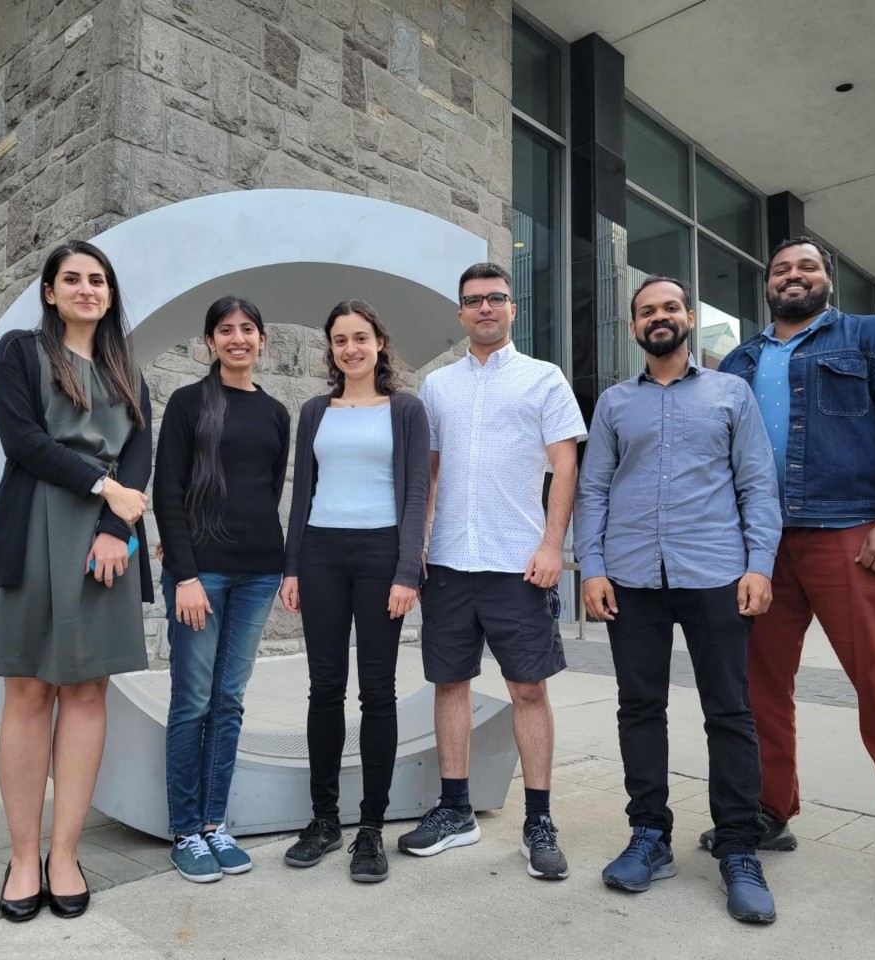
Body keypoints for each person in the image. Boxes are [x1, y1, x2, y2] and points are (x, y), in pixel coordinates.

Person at [713, 237, 875, 918]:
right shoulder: (741, 359)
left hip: (851, 534)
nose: (794, 277)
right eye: (782, 269)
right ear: (766, 285)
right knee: (757, 691)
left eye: (807, 267)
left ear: (827, 279)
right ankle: (770, 809)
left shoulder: (872, 336)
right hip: (762, 546)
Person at [575, 276, 781, 923]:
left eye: (669, 307)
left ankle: (740, 847)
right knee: (640, 707)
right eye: (646, 311)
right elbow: (593, 492)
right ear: (634, 326)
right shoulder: (612, 404)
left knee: (729, 710)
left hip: (716, 574)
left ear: (688, 318)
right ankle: (649, 836)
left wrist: (759, 566)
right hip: (632, 579)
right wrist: (594, 567)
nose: (658, 317)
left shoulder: (730, 393)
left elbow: (758, 485)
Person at [0, 241, 153, 922]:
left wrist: (116, 528)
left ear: (109, 293)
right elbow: (22, 440)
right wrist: (104, 486)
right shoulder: (19, 353)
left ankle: (66, 853)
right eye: (71, 279)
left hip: (103, 542)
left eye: (96, 279)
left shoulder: (127, 370)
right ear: (49, 291)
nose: (85, 288)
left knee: (84, 691)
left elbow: (139, 451)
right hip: (31, 528)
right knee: (27, 691)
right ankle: (23, 857)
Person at [398, 262, 586, 881]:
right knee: (449, 684)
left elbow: (565, 469)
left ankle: (539, 820)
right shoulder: (438, 386)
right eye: (473, 301)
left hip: (518, 563)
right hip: (449, 562)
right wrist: (418, 541)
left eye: (495, 298)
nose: (485, 308)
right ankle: (456, 810)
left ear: (512, 308)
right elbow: (425, 473)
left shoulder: (545, 379)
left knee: (528, 690)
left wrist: (553, 546)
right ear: (460, 313)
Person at [278, 300, 430, 883]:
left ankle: (371, 829)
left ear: (379, 343)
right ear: (331, 350)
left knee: (378, 692)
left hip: (379, 556)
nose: (350, 348)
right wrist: (292, 567)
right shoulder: (315, 411)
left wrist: (406, 571)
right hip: (320, 554)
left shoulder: (407, 410)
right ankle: (323, 821)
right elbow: (302, 492)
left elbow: (416, 492)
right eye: (340, 340)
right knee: (324, 688)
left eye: (360, 337)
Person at [152, 295, 290, 884]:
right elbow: (167, 493)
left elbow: (267, 492)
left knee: (229, 701)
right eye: (225, 330)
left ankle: (215, 824)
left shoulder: (278, 412)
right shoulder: (188, 404)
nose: (238, 338)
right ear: (209, 342)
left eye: (248, 330)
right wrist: (184, 575)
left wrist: (285, 567)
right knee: (193, 701)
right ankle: (185, 830)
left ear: (262, 340)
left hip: (259, 571)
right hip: (200, 574)